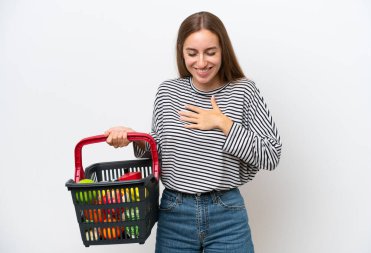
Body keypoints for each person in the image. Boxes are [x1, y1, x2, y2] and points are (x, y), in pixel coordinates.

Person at [105, 11, 281, 253]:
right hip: (174, 212)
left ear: (223, 50)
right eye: (192, 53)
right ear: (181, 52)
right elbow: (158, 150)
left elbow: (271, 155)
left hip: (227, 214)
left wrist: (224, 124)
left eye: (210, 52)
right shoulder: (168, 92)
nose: (201, 62)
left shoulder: (243, 91)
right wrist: (132, 138)